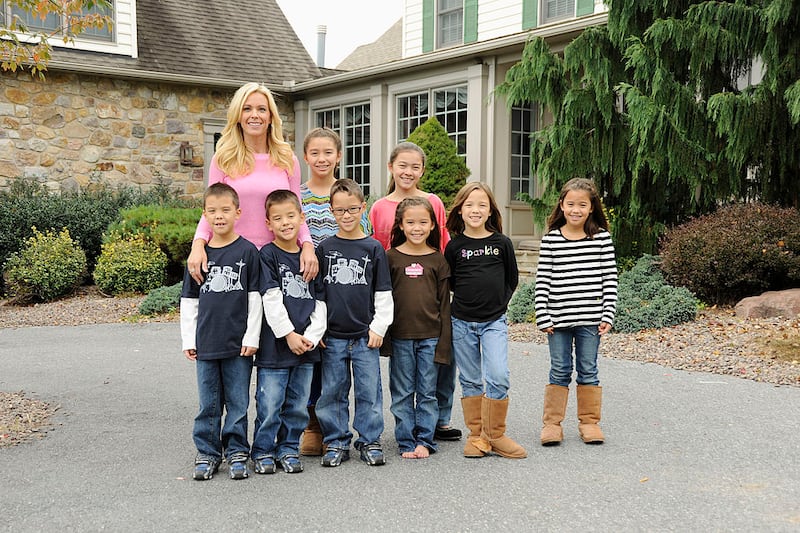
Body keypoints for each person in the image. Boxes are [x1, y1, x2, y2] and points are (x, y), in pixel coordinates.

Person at [368, 141, 461, 443]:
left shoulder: (432, 201)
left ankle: (437, 422)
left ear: (422, 170)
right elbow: (377, 251)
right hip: (396, 292)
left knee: (439, 365)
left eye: (415, 166)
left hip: (430, 285)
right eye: (402, 165)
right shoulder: (380, 207)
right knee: (404, 376)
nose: (408, 172)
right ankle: (409, 432)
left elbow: (442, 242)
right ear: (391, 167)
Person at [186, 82, 318, 286]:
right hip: (234, 256)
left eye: (261, 109)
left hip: (277, 256)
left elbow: (297, 210)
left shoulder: (287, 159)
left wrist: (307, 245)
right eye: (247, 109)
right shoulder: (223, 159)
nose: (254, 115)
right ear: (238, 116)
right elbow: (211, 210)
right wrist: (198, 245)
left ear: (271, 117)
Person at [180, 183, 263, 480]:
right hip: (206, 343)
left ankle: (238, 450)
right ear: (204, 215)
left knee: (239, 402)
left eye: (225, 210)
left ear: (238, 213)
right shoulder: (198, 258)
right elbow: (189, 302)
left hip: (239, 344)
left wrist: (252, 337)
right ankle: (207, 452)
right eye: (212, 211)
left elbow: (256, 300)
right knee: (208, 403)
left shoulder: (248, 252)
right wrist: (189, 340)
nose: (219, 216)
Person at [297, 127, 371, 457]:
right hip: (309, 286)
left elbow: (364, 240)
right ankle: (314, 425)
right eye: (315, 153)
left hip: (348, 292)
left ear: (339, 156)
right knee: (315, 359)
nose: (322, 158)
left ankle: (341, 429)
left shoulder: (350, 197)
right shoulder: (299, 196)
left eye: (328, 152)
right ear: (305, 157)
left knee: (340, 363)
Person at [444, 182, 526, 459]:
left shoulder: (501, 243)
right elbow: (452, 282)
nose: (475, 210)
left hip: (494, 322)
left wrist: (499, 304)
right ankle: (477, 436)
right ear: (460, 210)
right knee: (470, 381)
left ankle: (496, 434)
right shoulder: (455, 247)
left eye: (482, 204)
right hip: (462, 322)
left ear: (491, 210)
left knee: (498, 376)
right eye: (469, 204)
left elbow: (511, 279)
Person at [315, 178, 393, 467]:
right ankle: (336, 442)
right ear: (331, 212)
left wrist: (379, 327)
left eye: (352, 209)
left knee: (368, 391)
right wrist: (318, 329)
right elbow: (319, 295)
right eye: (339, 210)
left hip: (364, 336)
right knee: (332, 391)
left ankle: (370, 440)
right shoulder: (324, 249)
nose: (346, 216)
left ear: (363, 208)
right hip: (333, 336)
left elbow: (383, 293)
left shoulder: (373, 249)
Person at [534, 177, 618, 446]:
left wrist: (608, 314)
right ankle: (552, 424)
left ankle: (589, 423)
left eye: (582, 205)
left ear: (592, 207)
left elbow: (610, 279)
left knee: (588, 369)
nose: (576, 210)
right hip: (557, 320)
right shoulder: (551, 240)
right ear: (562, 205)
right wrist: (543, 314)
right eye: (570, 204)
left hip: (590, 320)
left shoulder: (601, 239)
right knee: (559, 369)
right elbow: (543, 280)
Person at [251, 190, 327, 475]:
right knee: (270, 403)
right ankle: (263, 450)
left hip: (306, 348)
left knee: (297, 405)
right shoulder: (267, 255)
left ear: (301, 218)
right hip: (275, 347)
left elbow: (320, 300)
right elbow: (270, 297)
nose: (285, 223)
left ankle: (288, 449)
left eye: (291, 216)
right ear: (268, 224)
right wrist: (288, 334)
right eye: (278, 218)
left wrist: (312, 335)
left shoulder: (311, 258)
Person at [386, 197, 451, 459]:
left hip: (431, 337)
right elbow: (382, 299)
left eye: (423, 222)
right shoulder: (390, 258)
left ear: (433, 225)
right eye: (410, 222)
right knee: (402, 392)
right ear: (400, 225)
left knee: (427, 391)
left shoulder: (438, 260)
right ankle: (405, 440)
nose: (417, 227)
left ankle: (425, 439)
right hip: (401, 336)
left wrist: (445, 343)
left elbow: (444, 305)